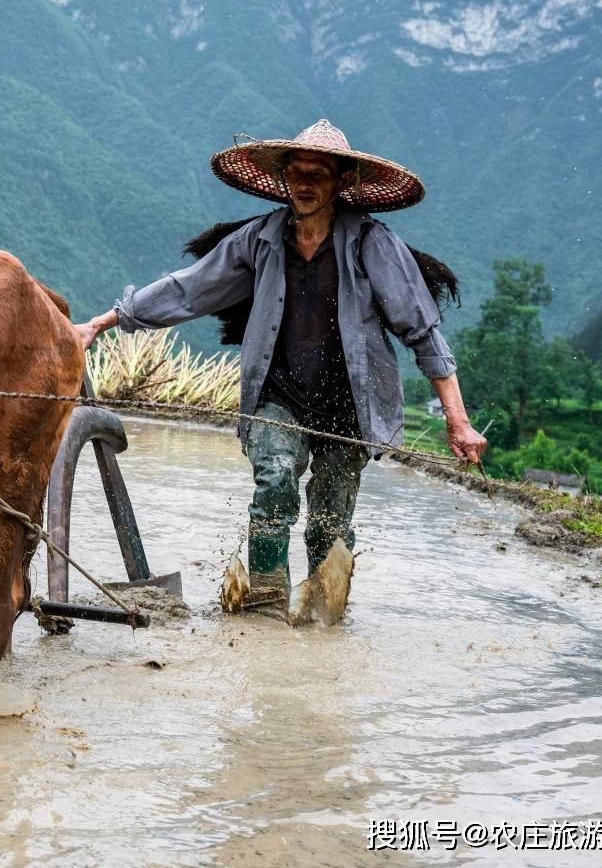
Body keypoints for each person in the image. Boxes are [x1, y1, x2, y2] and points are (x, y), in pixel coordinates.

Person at [75, 119, 487, 607]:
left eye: (319, 174)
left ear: (342, 181)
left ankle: (322, 617)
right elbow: (191, 287)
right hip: (279, 394)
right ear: (284, 179)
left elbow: (422, 331)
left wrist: (458, 424)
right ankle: (266, 610)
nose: (306, 184)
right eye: (297, 173)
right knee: (273, 483)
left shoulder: (372, 244)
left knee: (329, 523)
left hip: (348, 404)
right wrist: (103, 323)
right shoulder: (261, 239)